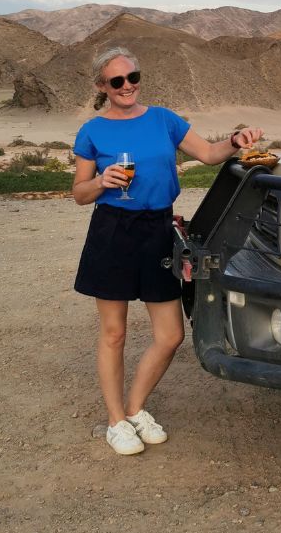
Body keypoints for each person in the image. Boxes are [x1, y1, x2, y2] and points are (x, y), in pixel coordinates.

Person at [72, 46, 263, 456]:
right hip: (112, 231)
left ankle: (135, 408)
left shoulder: (163, 119)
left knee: (171, 334)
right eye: (118, 81)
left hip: (159, 228)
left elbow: (210, 154)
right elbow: (78, 194)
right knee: (114, 332)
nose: (128, 87)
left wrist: (234, 140)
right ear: (102, 87)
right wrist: (102, 181)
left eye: (133, 77)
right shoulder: (92, 131)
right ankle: (115, 421)